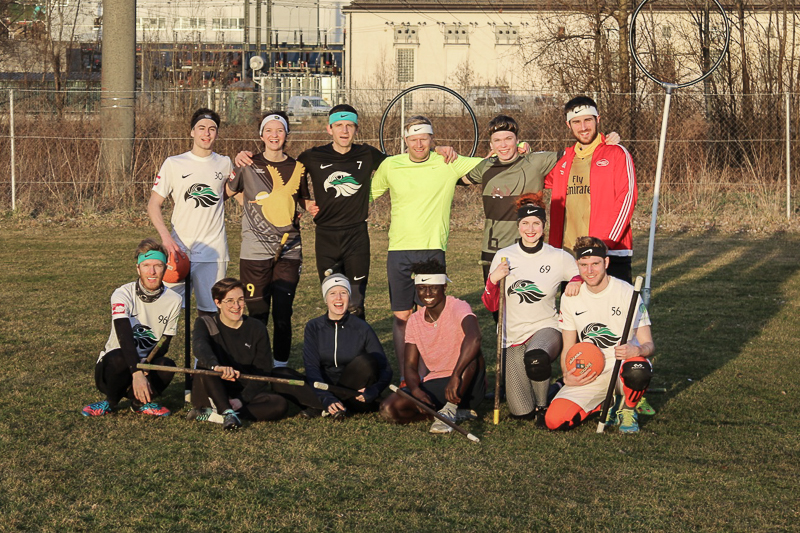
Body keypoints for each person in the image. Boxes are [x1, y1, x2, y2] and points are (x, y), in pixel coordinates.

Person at [234, 104, 457, 320]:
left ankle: (357, 353)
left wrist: (436, 149)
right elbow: (287, 176)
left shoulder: (368, 154)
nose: (344, 130)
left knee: (356, 304)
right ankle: (334, 354)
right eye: (339, 125)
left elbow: (403, 163)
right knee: (334, 299)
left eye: (349, 125)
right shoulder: (311, 157)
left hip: (357, 238)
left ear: (356, 129)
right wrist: (304, 202)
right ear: (329, 129)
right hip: (326, 238)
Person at [370, 116, 484, 382]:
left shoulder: (447, 162)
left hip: (432, 250)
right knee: (401, 316)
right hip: (398, 250)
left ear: (433, 140)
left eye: (424, 138)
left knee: (429, 316)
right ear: (405, 141)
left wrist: (521, 147)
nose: (418, 144)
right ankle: (406, 377)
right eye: (413, 139)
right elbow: (366, 195)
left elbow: (491, 164)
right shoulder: (391, 165)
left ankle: (429, 375)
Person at [465, 115, 620, 285]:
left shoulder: (536, 162)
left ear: (517, 140)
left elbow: (577, 153)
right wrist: (442, 151)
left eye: (508, 139)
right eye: (497, 140)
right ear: (491, 145)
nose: (503, 145)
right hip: (492, 249)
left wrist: (604, 140)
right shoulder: (484, 167)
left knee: (530, 299)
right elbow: (454, 176)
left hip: (529, 248)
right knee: (497, 307)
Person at [482, 193, 580, 426]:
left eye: (536, 223)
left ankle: (543, 407)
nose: (530, 228)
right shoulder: (503, 256)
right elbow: (490, 304)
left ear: (544, 227)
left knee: (536, 358)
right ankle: (556, 388)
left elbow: (580, 275)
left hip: (546, 328)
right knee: (520, 411)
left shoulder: (558, 257)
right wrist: (494, 279)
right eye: (525, 223)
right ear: (518, 227)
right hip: (511, 336)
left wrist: (576, 280)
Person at [226, 111, 312, 368]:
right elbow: (228, 192)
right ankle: (256, 366)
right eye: (269, 131)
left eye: (280, 130)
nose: (274, 136)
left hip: (289, 249)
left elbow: (304, 202)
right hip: (255, 250)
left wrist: (316, 206)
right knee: (257, 313)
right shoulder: (247, 164)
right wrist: (252, 209)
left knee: (283, 314)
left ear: (286, 134)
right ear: (261, 135)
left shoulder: (297, 167)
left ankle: (281, 367)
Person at [545, 237, 655, 433]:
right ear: (577, 265)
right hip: (589, 370)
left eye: (595, 264)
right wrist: (567, 375)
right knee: (555, 421)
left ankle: (628, 409)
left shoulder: (628, 293)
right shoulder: (571, 298)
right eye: (583, 265)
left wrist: (636, 349)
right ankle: (606, 401)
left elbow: (649, 345)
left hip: (622, 369)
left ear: (606, 262)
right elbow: (568, 347)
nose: (589, 271)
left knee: (638, 368)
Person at [380, 260, 485, 434]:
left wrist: (455, 376)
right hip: (439, 382)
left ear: (444, 287)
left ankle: (451, 408)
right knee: (389, 408)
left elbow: (475, 338)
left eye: (433, 288)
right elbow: (410, 365)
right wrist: (415, 390)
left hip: (467, 382)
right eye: (422, 288)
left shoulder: (458, 306)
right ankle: (445, 415)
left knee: (472, 353)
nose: (427, 293)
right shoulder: (414, 320)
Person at [81, 239, 183, 417]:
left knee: (167, 365)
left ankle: (139, 403)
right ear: (138, 268)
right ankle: (110, 402)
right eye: (146, 265)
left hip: (145, 365)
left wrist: (147, 362)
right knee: (119, 357)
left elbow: (165, 341)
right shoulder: (122, 294)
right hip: (113, 370)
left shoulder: (174, 299)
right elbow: (124, 334)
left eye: (158, 266)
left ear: (165, 268)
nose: (152, 272)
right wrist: (135, 371)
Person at [148, 108, 232, 316]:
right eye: (201, 128)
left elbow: (232, 194)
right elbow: (153, 204)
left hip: (213, 254)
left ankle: (206, 349)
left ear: (217, 134)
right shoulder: (174, 163)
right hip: (178, 251)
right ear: (192, 132)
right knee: (165, 314)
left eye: (212, 129)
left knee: (211, 314)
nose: (207, 133)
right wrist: (166, 239)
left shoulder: (225, 163)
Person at [545, 96, 637, 283]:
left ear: (598, 120)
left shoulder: (616, 152)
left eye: (588, 120)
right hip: (570, 255)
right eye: (577, 122)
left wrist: (603, 244)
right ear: (568, 125)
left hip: (609, 252)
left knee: (612, 310)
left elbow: (627, 198)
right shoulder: (564, 160)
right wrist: (522, 150)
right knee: (573, 311)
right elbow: (531, 177)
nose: (583, 127)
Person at [188, 278, 288, 431]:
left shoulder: (257, 328)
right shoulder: (205, 323)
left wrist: (241, 400)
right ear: (218, 302)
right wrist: (217, 367)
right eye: (230, 301)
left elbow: (263, 369)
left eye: (240, 300)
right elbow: (200, 347)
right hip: (211, 388)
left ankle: (218, 414)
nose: (236, 306)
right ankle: (226, 412)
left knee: (280, 404)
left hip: (241, 391)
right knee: (206, 367)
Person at [301, 274, 393, 418]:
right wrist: (325, 396)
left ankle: (324, 406)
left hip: (353, 391)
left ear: (349, 297)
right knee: (281, 375)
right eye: (332, 293)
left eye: (343, 293)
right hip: (324, 385)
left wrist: (375, 389)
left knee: (366, 362)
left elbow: (385, 368)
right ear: (326, 299)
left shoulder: (362, 327)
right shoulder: (313, 327)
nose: (338, 298)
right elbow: (311, 367)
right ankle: (331, 404)